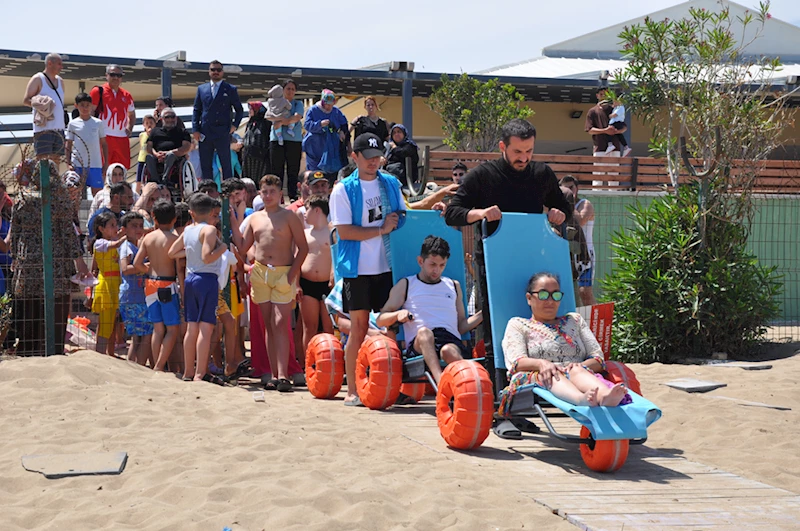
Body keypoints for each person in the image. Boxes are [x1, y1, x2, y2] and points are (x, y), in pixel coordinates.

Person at [444, 119, 571, 381]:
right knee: (496, 322)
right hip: (494, 262)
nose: (523, 158)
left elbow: (563, 207)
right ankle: (498, 383)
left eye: (529, 151)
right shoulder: (482, 175)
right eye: (517, 152)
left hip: (533, 258)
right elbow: (453, 213)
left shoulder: (542, 174)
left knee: (535, 320)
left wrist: (560, 213)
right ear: (503, 146)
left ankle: (541, 377)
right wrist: (480, 213)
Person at [329, 132, 406, 406]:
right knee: (358, 328)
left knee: (392, 327)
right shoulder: (343, 189)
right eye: (368, 157)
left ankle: (391, 385)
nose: (374, 162)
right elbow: (345, 231)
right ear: (355, 157)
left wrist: (402, 219)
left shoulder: (390, 183)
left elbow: (403, 214)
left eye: (377, 157)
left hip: (388, 265)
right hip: (357, 267)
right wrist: (381, 229)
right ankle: (352, 389)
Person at [500, 272, 630, 410]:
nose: (550, 301)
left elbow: (597, 358)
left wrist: (580, 366)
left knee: (577, 371)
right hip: (539, 376)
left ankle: (604, 396)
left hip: (577, 375)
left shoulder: (574, 320)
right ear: (529, 298)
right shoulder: (518, 324)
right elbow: (516, 362)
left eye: (555, 295)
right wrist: (542, 364)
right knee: (552, 374)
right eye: (543, 295)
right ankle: (581, 399)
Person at [377, 236, 482, 385]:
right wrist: (398, 314)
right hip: (420, 343)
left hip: (449, 339)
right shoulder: (407, 284)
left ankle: (471, 385)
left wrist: (482, 315)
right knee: (425, 333)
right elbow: (381, 319)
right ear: (421, 261)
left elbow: (461, 326)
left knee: (448, 351)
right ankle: (441, 384)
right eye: (432, 264)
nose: (436, 270)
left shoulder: (453, 285)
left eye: (442, 265)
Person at [10, 163, 91, 355]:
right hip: (58, 262)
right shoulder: (61, 199)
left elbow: (15, 232)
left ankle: (28, 349)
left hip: (29, 260)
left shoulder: (22, 198)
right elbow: (69, 234)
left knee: (30, 308)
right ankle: (53, 349)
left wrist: (15, 255)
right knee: (57, 307)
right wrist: (78, 260)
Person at [239, 174, 308, 392]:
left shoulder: (289, 217)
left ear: (280, 194)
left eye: (272, 192)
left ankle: (283, 374)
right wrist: (232, 221)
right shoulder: (255, 218)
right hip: (260, 273)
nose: (268, 195)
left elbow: (303, 248)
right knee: (268, 324)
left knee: (281, 323)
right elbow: (244, 247)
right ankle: (272, 374)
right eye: (264, 191)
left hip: (283, 273)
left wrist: (292, 275)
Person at [168, 193, 228, 383]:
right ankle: (200, 373)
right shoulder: (209, 230)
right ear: (211, 212)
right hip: (206, 278)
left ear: (191, 212)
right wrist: (222, 248)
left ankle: (188, 371)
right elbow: (207, 256)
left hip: (190, 278)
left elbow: (172, 252)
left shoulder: (188, 230)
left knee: (191, 328)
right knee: (205, 328)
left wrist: (189, 251)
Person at [135, 199, 181, 372]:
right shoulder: (175, 239)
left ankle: (156, 365)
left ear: (153, 217)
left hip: (151, 284)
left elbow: (137, 262)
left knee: (158, 328)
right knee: (172, 329)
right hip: (167, 284)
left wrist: (147, 267)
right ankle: (160, 365)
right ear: (174, 219)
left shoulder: (148, 238)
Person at [192, 60, 244, 182]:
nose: (215, 72)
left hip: (223, 132)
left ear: (222, 72)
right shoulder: (201, 89)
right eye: (213, 70)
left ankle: (229, 192)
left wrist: (234, 125)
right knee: (206, 164)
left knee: (226, 164)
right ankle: (208, 192)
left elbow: (239, 110)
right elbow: (196, 110)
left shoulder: (230, 89)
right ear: (209, 71)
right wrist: (195, 129)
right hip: (205, 132)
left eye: (218, 70)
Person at [299, 194, 334, 358]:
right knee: (309, 327)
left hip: (329, 285)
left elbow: (338, 256)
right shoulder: (304, 233)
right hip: (307, 284)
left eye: (307, 210)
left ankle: (332, 363)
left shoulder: (333, 232)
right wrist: (296, 284)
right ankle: (309, 363)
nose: (304, 214)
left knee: (330, 327)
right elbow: (296, 259)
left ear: (317, 210)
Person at [118, 211, 153, 366]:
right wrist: (145, 267)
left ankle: (132, 366)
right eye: (134, 226)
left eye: (140, 225)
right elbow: (125, 269)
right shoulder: (126, 246)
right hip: (132, 296)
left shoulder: (136, 244)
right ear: (124, 229)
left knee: (138, 337)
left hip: (137, 296)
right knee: (146, 334)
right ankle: (140, 366)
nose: (139, 229)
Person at [92, 211, 126, 357]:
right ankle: (99, 354)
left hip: (115, 285)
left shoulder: (112, 243)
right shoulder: (100, 243)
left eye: (116, 224)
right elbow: (116, 243)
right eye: (112, 225)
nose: (115, 227)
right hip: (106, 286)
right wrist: (126, 234)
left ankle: (110, 354)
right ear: (101, 229)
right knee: (106, 324)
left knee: (113, 323)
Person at [22, 53, 67, 159]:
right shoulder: (38, 79)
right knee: (43, 161)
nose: (62, 67)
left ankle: (55, 177)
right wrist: (42, 105)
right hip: (43, 128)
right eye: (59, 64)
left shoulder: (60, 81)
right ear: (50, 63)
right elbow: (26, 100)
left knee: (56, 160)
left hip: (59, 128)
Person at [560, 176, 596, 305]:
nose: (570, 191)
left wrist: (569, 202)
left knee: (585, 291)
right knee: (566, 291)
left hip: (585, 255)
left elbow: (580, 221)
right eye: (566, 189)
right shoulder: (561, 206)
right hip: (568, 253)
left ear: (577, 188)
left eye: (571, 188)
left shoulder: (585, 204)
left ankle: (593, 323)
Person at [91, 64, 135, 169]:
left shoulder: (126, 95)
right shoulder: (98, 91)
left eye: (119, 75)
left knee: (121, 169)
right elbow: (90, 112)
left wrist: (129, 128)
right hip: (103, 136)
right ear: (106, 75)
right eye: (112, 74)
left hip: (122, 138)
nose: (115, 77)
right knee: (102, 168)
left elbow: (132, 114)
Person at [65, 92, 108, 194]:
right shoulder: (72, 124)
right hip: (77, 164)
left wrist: (106, 163)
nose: (85, 108)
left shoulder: (98, 123)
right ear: (76, 106)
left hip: (95, 164)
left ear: (91, 105)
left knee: (98, 193)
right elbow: (68, 144)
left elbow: (104, 144)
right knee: (75, 193)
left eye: (87, 105)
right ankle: (75, 211)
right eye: (82, 105)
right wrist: (68, 163)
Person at [269, 79, 304, 201]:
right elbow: (269, 117)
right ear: (282, 90)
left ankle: (292, 195)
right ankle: (277, 197)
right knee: (276, 170)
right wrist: (284, 120)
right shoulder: (274, 102)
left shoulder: (298, 104)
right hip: (276, 140)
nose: (290, 91)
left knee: (293, 169)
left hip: (294, 141)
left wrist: (281, 121)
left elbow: (296, 117)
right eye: (288, 88)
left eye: (293, 89)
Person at [303, 89, 348, 182]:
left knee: (330, 175)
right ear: (323, 102)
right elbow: (307, 125)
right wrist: (320, 124)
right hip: (314, 147)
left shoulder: (336, 111)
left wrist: (342, 132)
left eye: (331, 104)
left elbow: (344, 124)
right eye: (327, 104)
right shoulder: (313, 110)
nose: (329, 107)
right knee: (315, 174)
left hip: (331, 148)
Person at [585, 88, 627, 186]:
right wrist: (605, 131)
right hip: (600, 147)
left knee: (614, 177)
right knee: (598, 176)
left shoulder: (615, 109)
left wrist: (618, 131)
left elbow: (624, 127)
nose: (604, 96)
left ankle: (614, 199)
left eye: (606, 94)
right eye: (601, 94)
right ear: (597, 95)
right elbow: (589, 130)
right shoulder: (592, 111)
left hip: (615, 148)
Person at [145, 108, 192, 184]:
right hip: (157, 157)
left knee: (170, 155)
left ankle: (165, 180)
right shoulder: (155, 131)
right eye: (167, 117)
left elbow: (186, 147)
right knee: (148, 157)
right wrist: (156, 154)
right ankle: (154, 180)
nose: (170, 119)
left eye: (172, 117)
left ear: (176, 118)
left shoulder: (182, 132)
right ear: (161, 119)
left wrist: (168, 153)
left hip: (175, 157)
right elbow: (149, 147)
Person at [242, 102, 271, 183]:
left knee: (260, 180)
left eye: (251, 109)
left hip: (260, 157)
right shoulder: (250, 123)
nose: (249, 111)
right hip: (249, 157)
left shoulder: (265, 122)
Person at [385, 124, 420, 190]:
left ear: (404, 133)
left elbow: (403, 153)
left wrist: (394, 148)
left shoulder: (410, 145)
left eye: (399, 132)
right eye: (394, 133)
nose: (396, 134)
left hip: (406, 177)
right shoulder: (389, 148)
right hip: (391, 175)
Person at [135, 115, 157, 193]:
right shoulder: (142, 135)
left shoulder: (156, 135)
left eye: (151, 122)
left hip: (151, 159)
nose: (149, 124)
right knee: (138, 180)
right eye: (146, 123)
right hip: (142, 159)